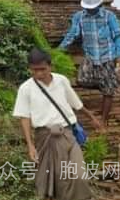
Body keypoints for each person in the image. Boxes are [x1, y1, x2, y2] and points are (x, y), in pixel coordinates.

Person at [13, 48, 102, 200]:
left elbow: (76, 103)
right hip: (45, 138)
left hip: (68, 134)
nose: (39, 73)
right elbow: (25, 118)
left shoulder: (61, 81)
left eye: (43, 69)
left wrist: (92, 117)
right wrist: (30, 145)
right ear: (30, 69)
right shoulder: (25, 89)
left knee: (79, 175)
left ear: (50, 66)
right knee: (58, 180)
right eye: (35, 70)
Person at [58, 0, 120, 127]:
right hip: (90, 57)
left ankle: (103, 120)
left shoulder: (109, 17)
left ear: (99, 5)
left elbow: (118, 36)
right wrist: (59, 49)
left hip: (107, 56)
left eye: (93, 8)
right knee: (81, 80)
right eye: (87, 8)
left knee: (108, 91)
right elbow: (72, 34)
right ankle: (108, 85)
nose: (90, 10)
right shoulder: (79, 17)